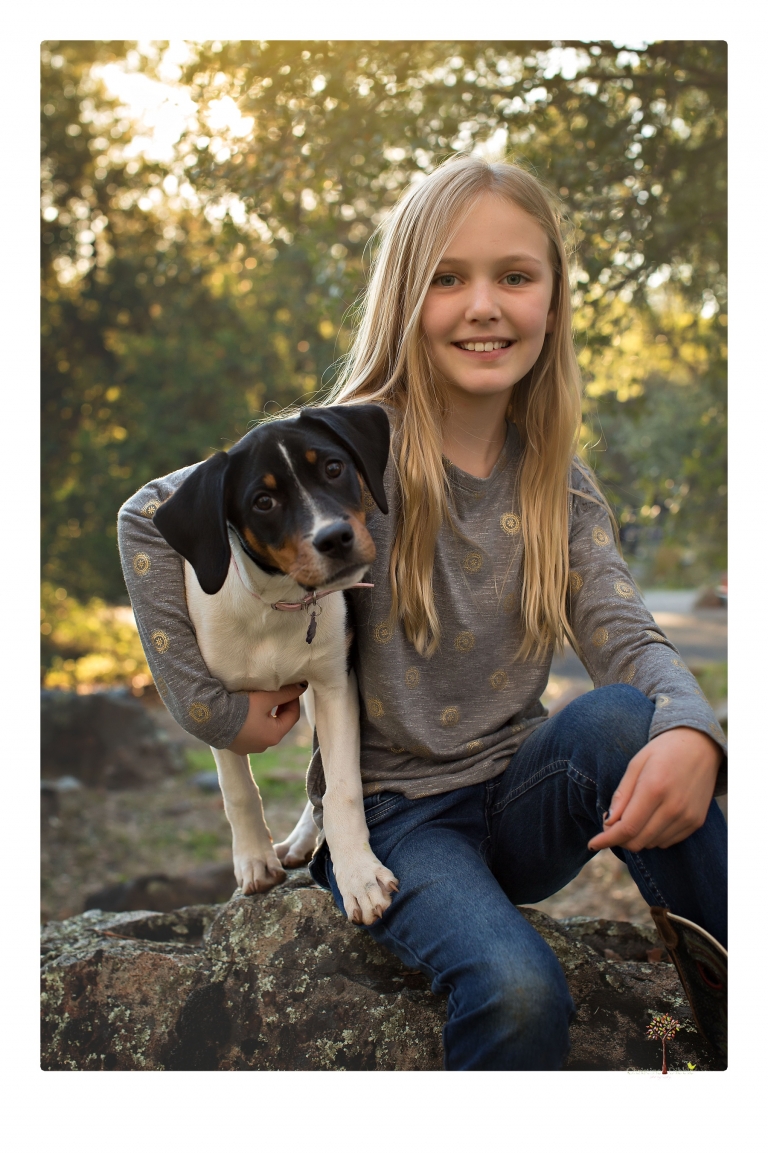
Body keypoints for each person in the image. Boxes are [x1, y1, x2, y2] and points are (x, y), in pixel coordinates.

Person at [118, 155, 727, 1071]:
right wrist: (213, 709)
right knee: (519, 992)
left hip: (522, 793)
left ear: (553, 302)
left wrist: (693, 729)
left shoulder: (558, 480)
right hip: (396, 820)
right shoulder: (339, 450)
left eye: (514, 277)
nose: (483, 305)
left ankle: (734, 1017)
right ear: (406, 294)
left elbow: (619, 628)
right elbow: (147, 517)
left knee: (633, 719)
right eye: (448, 278)